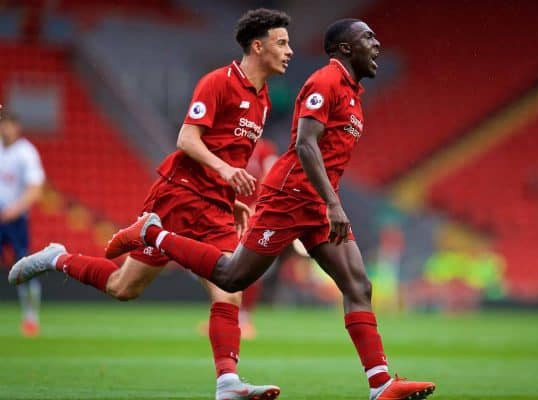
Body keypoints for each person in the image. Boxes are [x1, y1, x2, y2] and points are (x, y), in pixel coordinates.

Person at [109, 18, 436, 400]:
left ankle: (380, 385)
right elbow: (305, 145)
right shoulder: (326, 82)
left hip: (315, 200)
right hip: (289, 197)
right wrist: (333, 203)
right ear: (345, 48)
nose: (378, 45)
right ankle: (153, 233)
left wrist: (328, 201)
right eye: (368, 38)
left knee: (358, 284)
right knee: (232, 278)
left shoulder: (353, 94)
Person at [9, 8, 293, 400]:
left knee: (230, 287)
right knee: (123, 286)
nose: (289, 51)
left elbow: (230, 152)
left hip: (216, 208)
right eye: (281, 43)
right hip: (180, 196)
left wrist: (231, 199)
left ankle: (227, 383)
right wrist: (227, 173)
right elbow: (187, 140)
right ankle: (57, 258)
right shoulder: (219, 83)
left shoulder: (262, 102)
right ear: (257, 46)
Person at [197, 138, 279, 339]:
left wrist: (258, 209)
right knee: (215, 266)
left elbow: (274, 178)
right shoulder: (226, 145)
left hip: (251, 218)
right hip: (223, 215)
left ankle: (243, 318)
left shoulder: (265, 150)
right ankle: (221, 314)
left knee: (247, 267)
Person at [0, 107, 45, 337]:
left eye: (7, 124)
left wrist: (12, 211)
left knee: (22, 269)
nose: (4, 128)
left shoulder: (26, 152)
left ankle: (31, 317)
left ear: (16, 127)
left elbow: (35, 189)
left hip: (15, 221)